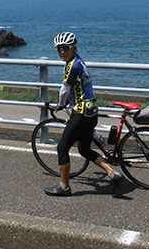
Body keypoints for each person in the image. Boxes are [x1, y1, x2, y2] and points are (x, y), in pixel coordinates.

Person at [44, 32, 123, 197]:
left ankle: (64, 187)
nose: (62, 52)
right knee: (85, 149)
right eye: (59, 49)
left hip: (81, 112)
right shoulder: (80, 62)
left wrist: (61, 104)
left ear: (74, 48)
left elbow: (64, 89)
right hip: (92, 110)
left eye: (65, 48)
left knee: (62, 146)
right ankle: (112, 173)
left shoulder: (72, 65)